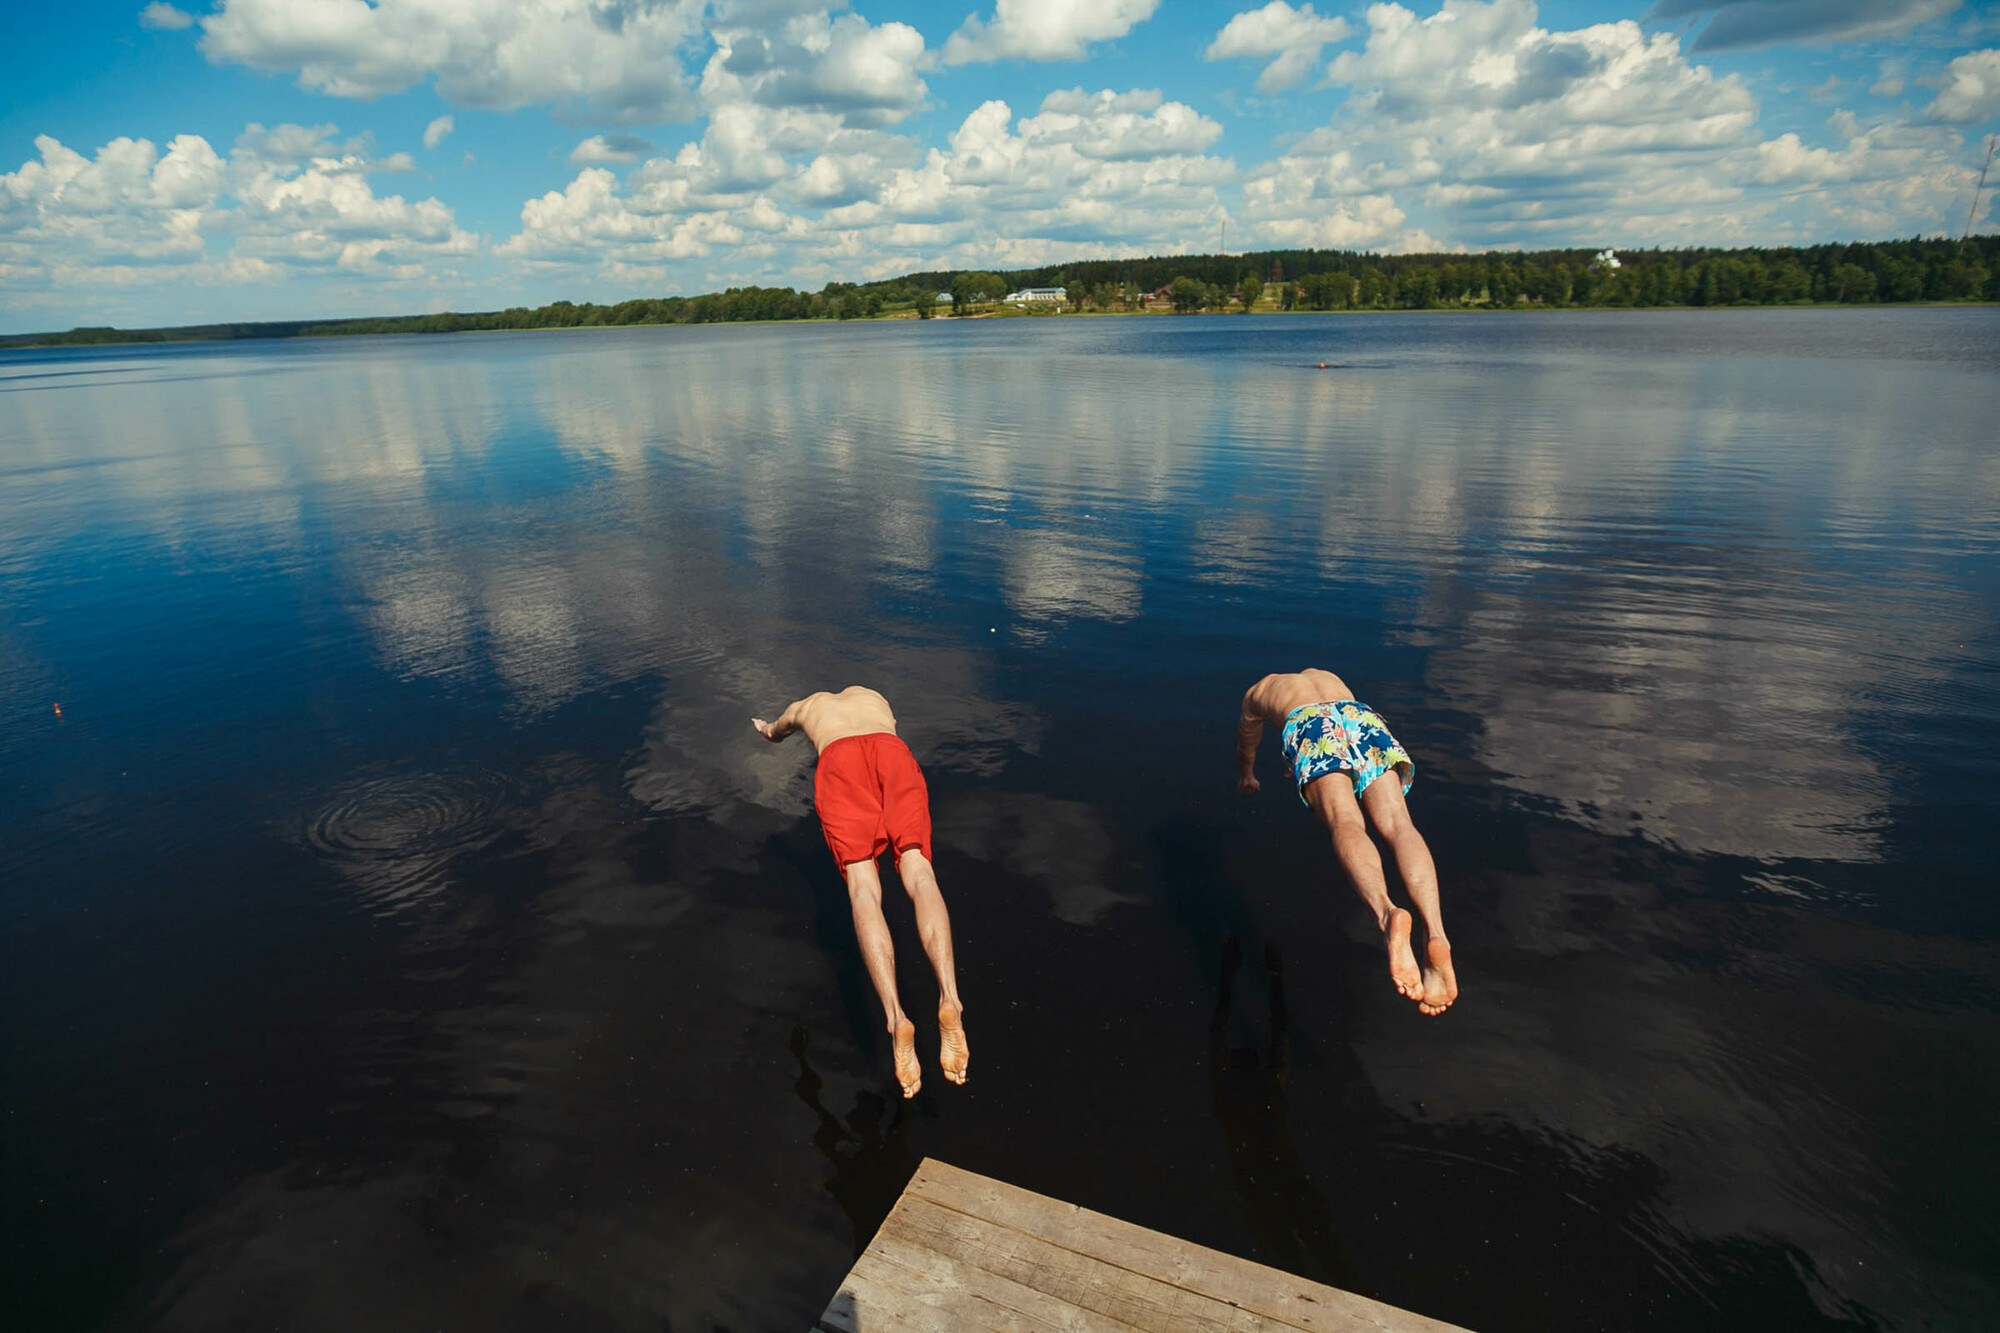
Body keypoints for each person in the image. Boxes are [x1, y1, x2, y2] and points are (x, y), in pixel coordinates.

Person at [753, 686, 969, 1096]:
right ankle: (950, 998)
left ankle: (895, 1018)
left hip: (839, 761)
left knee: (863, 889)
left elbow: (775, 732)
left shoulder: (806, 707)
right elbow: (890, 728)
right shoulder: (876, 698)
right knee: (920, 874)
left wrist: (764, 728)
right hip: (891, 752)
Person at [1236, 669, 1458, 1016]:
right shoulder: (1328, 676)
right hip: (1360, 716)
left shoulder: (1256, 694)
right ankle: (1437, 932)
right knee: (1400, 824)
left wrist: (1247, 775)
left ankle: (1387, 915)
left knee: (1345, 820)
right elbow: (1339, 728)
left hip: (1308, 724)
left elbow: (1246, 744)